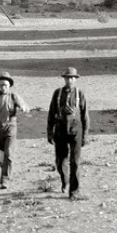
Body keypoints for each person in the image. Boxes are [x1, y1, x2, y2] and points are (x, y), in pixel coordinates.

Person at [46, 67, 89, 198]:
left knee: (75, 162)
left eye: (72, 78)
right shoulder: (57, 93)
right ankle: (65, 181)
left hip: (76, 131)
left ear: (75, 79)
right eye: (67, 77)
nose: (70, 80)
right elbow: (51, 113)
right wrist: (49, 132)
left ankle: (74, 191)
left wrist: (85, 135)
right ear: (64, 79)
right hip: (60, 130)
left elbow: (85, 116)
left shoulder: (79, 94)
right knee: (60, 160)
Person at [0, 72, 29, 189]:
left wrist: (23, 107)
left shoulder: (14, 96)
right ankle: (5, 169)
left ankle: (5, 179)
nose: (3, 87)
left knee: (9, 153)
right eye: (1, 85)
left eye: (5, 85)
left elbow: (24, 105)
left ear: (9, 85)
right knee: (0, 154)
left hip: (10, 127)